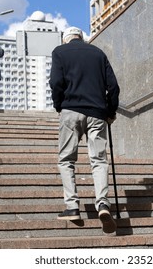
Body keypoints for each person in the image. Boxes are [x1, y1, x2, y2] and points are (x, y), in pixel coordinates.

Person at [49, 26, 120, 234]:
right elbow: (113, 87)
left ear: (66, 39)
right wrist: (111, 110)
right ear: (81, 38)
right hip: (97, 112)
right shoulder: (98, 53)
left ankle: (72, 206)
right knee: (98, 160)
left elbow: (55, 82)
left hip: (71, 110)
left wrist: (58, 105)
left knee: (66, 159)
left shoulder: (59, 52)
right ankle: (103, 204)